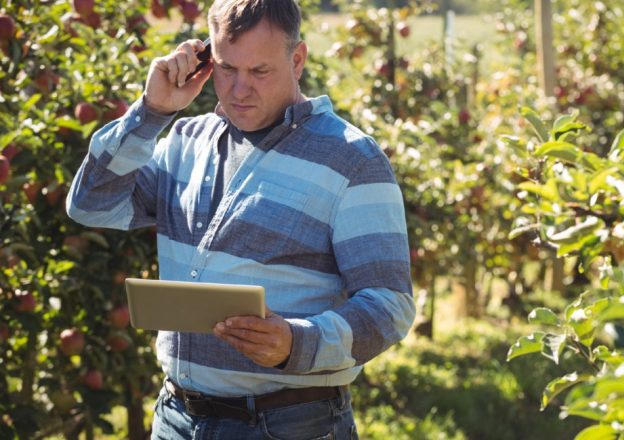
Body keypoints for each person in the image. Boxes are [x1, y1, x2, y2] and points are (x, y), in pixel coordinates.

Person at [66, 0, 415, 438]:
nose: (239, 89)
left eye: (259, 71)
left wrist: (296, 342)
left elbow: (389, 303)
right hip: (176, 418)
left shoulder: (350, 158)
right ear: (206, 61)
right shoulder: (186, 142)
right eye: (227, 68)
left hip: (288, 425)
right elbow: (91, 204)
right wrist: (151, 112)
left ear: (297, 60)